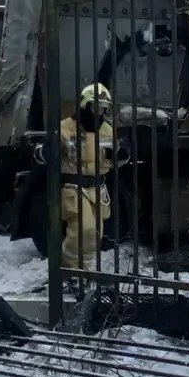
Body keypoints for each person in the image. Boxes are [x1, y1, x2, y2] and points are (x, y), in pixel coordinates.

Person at [60, 83, 114, 268]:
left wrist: (120, 155)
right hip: (75, 188)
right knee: (83, 229)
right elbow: (45, 153)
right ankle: (70, 270)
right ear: (85, 105)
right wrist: (47, 150)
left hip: (97, 189)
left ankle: (85, 271)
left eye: (104, 108)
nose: (100, 112)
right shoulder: (65, 128)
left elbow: (114, 159)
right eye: (96, 107)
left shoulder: (107, 130)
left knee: (95, 234)